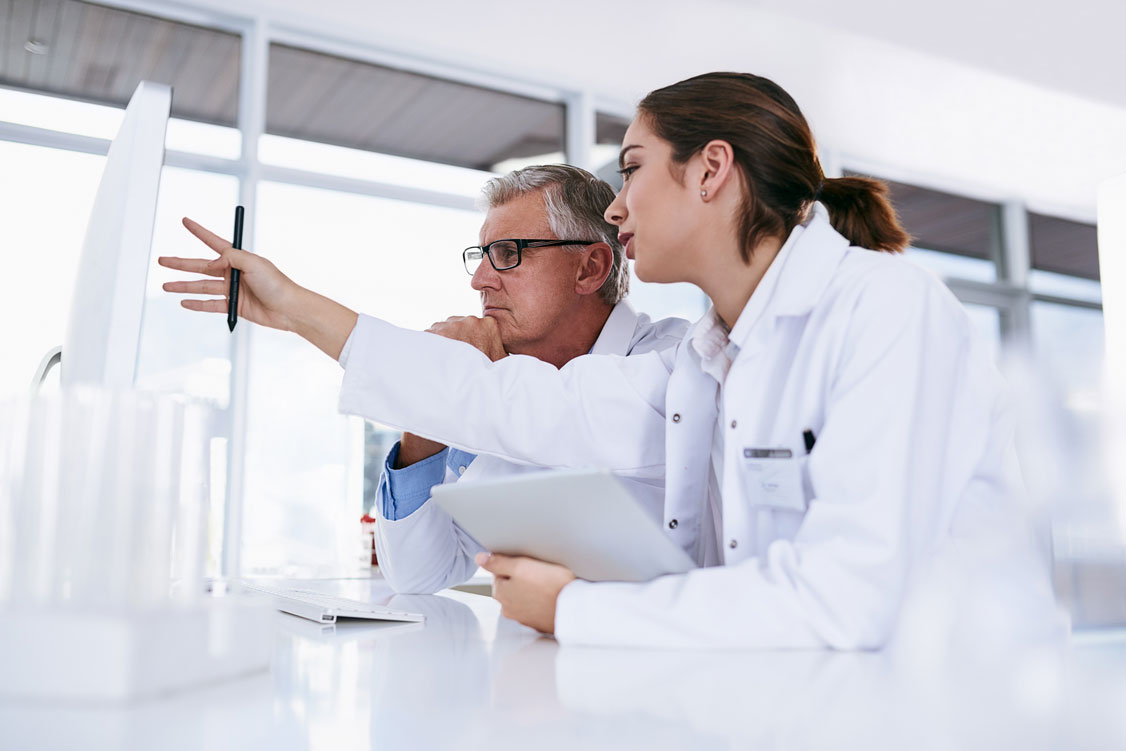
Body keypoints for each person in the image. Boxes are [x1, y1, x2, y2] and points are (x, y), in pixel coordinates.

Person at [161, 72, 1060, 650]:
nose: (619, 208)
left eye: (632, 170)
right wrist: (297, 309)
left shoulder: (887, 311)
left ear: (711, 171)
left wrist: (573, 610)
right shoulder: (708, 359)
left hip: (963, 710)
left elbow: (840, 599)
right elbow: (516, 407)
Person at [371, 165, 686, 593]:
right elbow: (418, 576)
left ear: (589, 268)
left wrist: (471, 387)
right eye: (481, 256)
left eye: (507, 253)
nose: (479, 281)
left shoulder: (673, 362)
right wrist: (427, 408)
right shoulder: (490, 372)